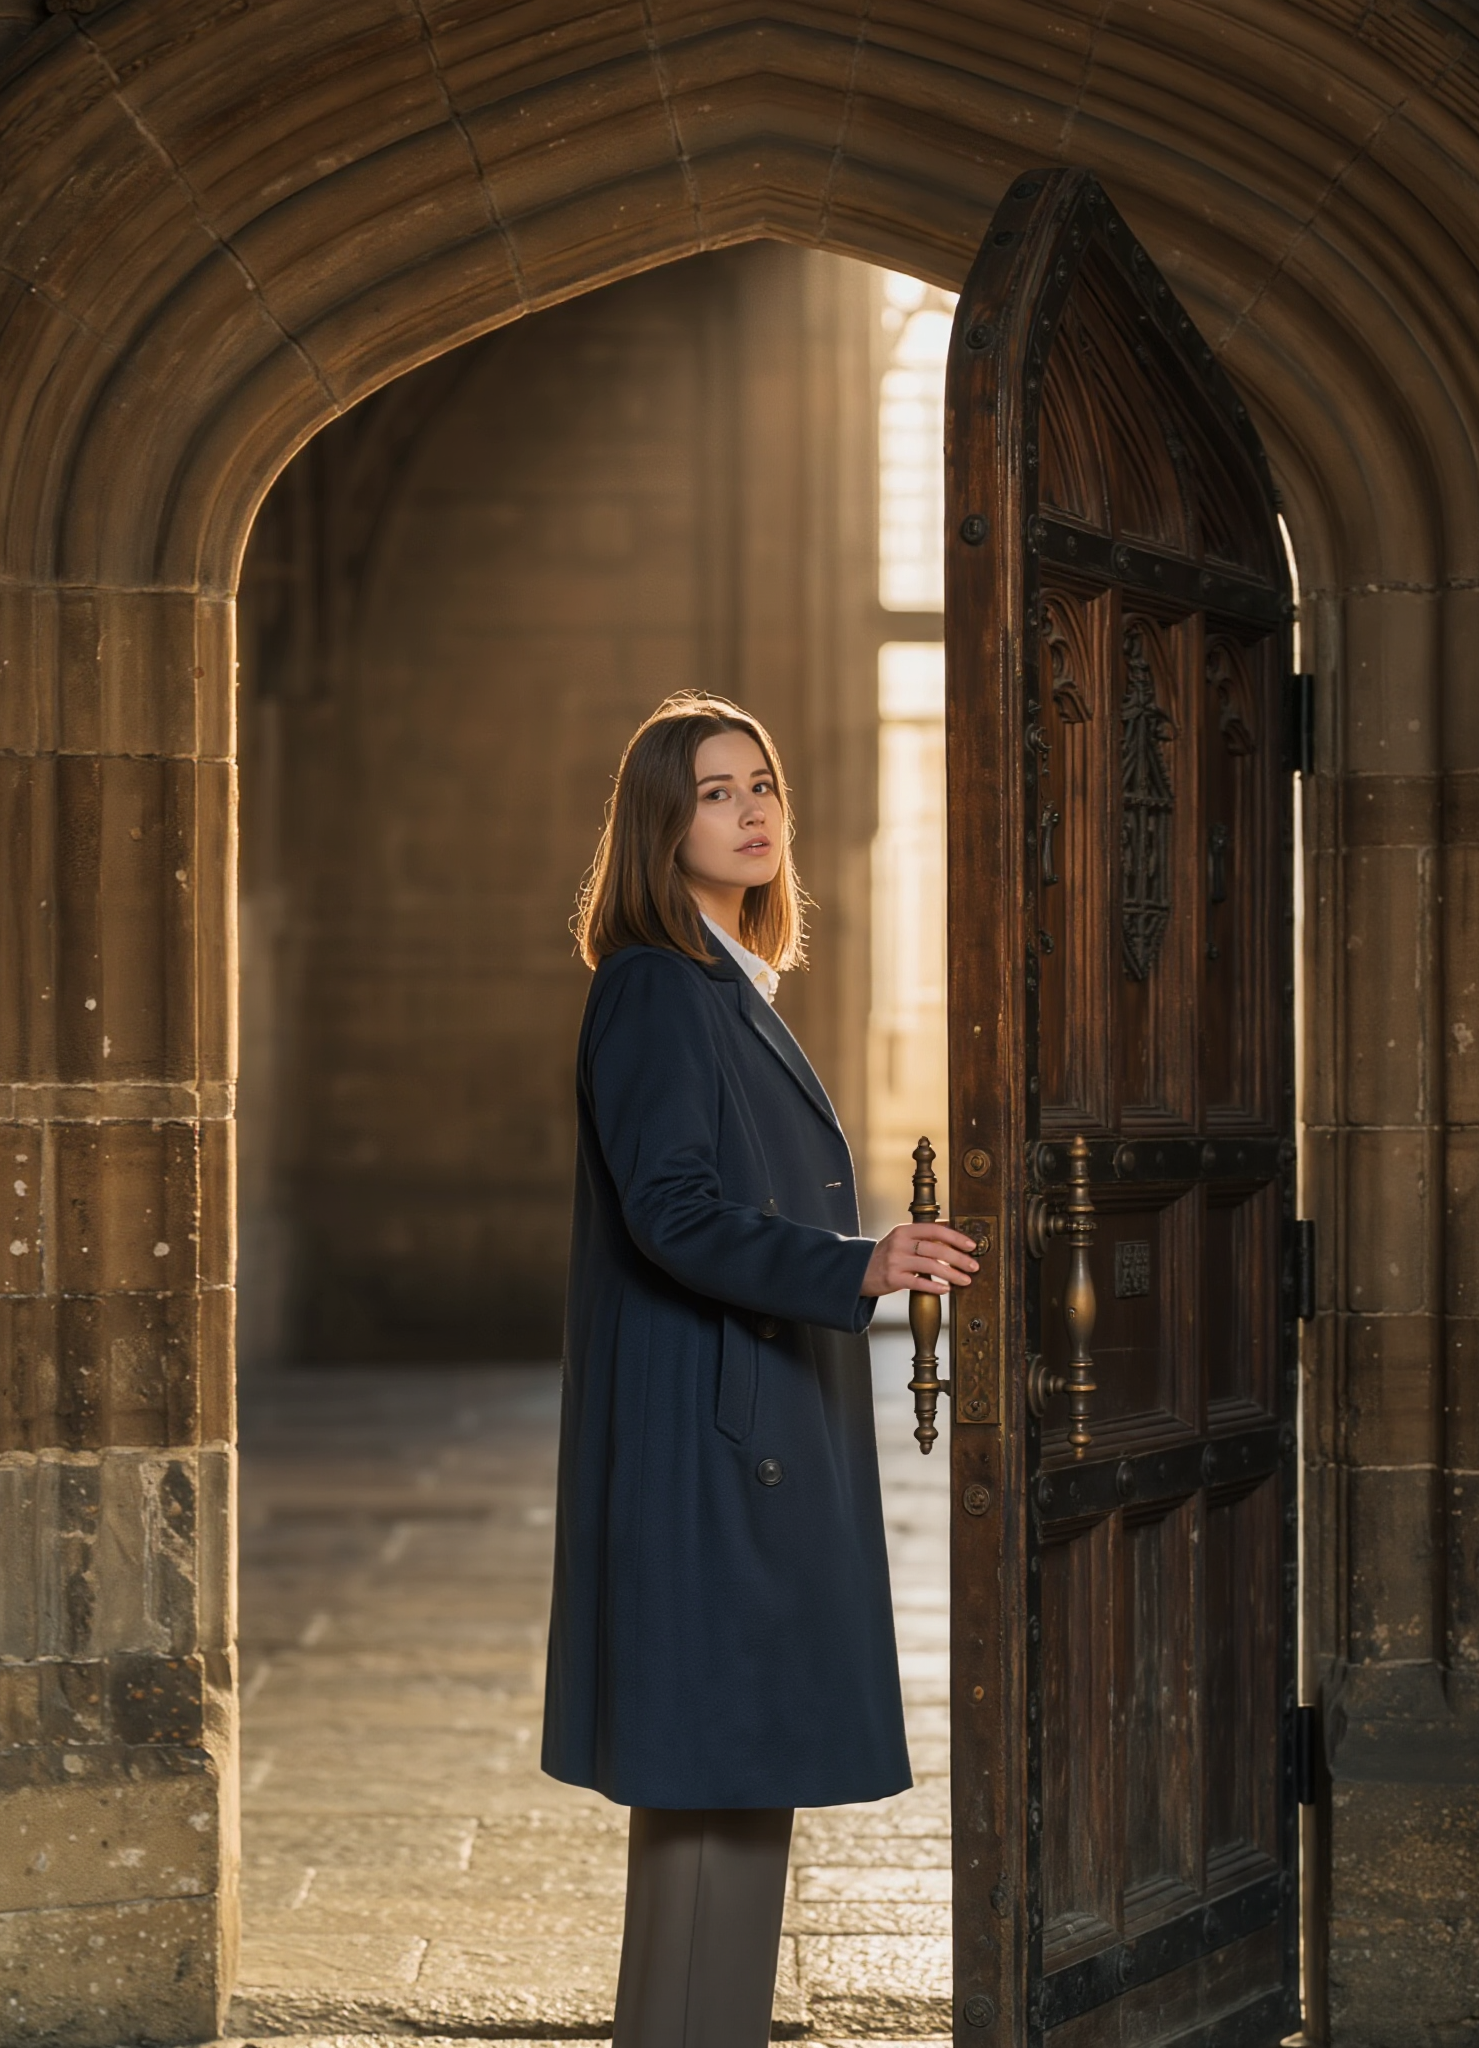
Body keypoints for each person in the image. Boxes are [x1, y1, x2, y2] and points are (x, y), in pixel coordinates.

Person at [541, 692, 977, 2048]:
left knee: (731, 1777)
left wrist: (852, 1261)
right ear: (662, 830)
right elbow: (669, 1211)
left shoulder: (727, 983)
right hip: (710, 1433)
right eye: (717, 792)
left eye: (762, 783)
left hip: (747, 1419)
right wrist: (857, 1263)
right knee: (716, 1772)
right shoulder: (658, 986)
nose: (752, 809)